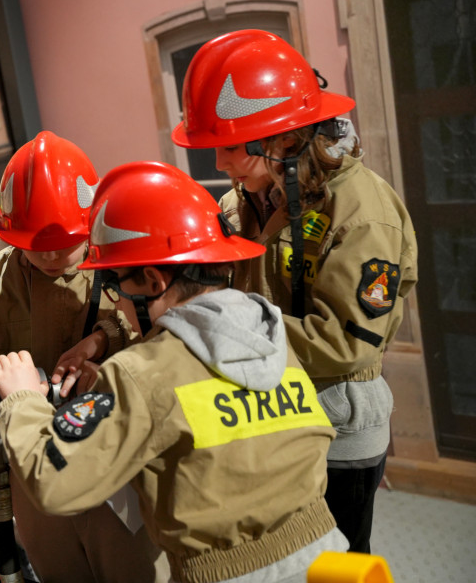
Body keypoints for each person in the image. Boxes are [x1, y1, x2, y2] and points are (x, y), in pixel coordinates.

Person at [0, 161, 347, 583]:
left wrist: (22, 400)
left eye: (116, 286)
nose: (116, 299)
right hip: (331, 577)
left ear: (153, 279)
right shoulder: (271, 335)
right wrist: (107, 336)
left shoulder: (144, 372)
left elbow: (53, 482)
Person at [170, 29, 418, 553]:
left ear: (283, 139)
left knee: (337, 582)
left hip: (338, 428)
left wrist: (230, 332)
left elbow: (348, 344)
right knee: (284, 580)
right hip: (274, 417)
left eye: (230, 147)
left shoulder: (361, 214)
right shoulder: (252, 199)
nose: (219, 164)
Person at [0, 131, 169, 583]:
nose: (52, 256)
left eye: (65, 244)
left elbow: (166, 336)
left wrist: (104, 338)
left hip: (116, 463)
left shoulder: (126, 270)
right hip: (31, 468)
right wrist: (3, 369)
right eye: (36, 246)